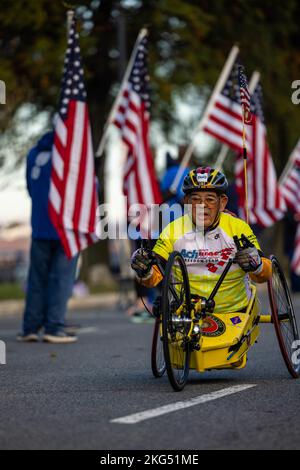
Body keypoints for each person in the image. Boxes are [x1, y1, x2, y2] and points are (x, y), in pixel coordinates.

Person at [131, 166, 272, 313]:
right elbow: (154, 277)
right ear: (186, 201)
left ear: (222, 203)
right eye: (196, 199)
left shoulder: (238, 227)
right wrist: (144, 269)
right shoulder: (172, 230)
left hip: (234, 311)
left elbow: (265, 274)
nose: (202, 205)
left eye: (210, 199)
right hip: (187, 315)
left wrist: (257, 265)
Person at [17, 131, 79, 343]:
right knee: (62, 278)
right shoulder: (69, 154)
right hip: (65, 226)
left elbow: (30, 188)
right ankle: (54, 326)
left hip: (40, 224)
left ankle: (30, 327)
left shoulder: (34, 154)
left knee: (37, 278)